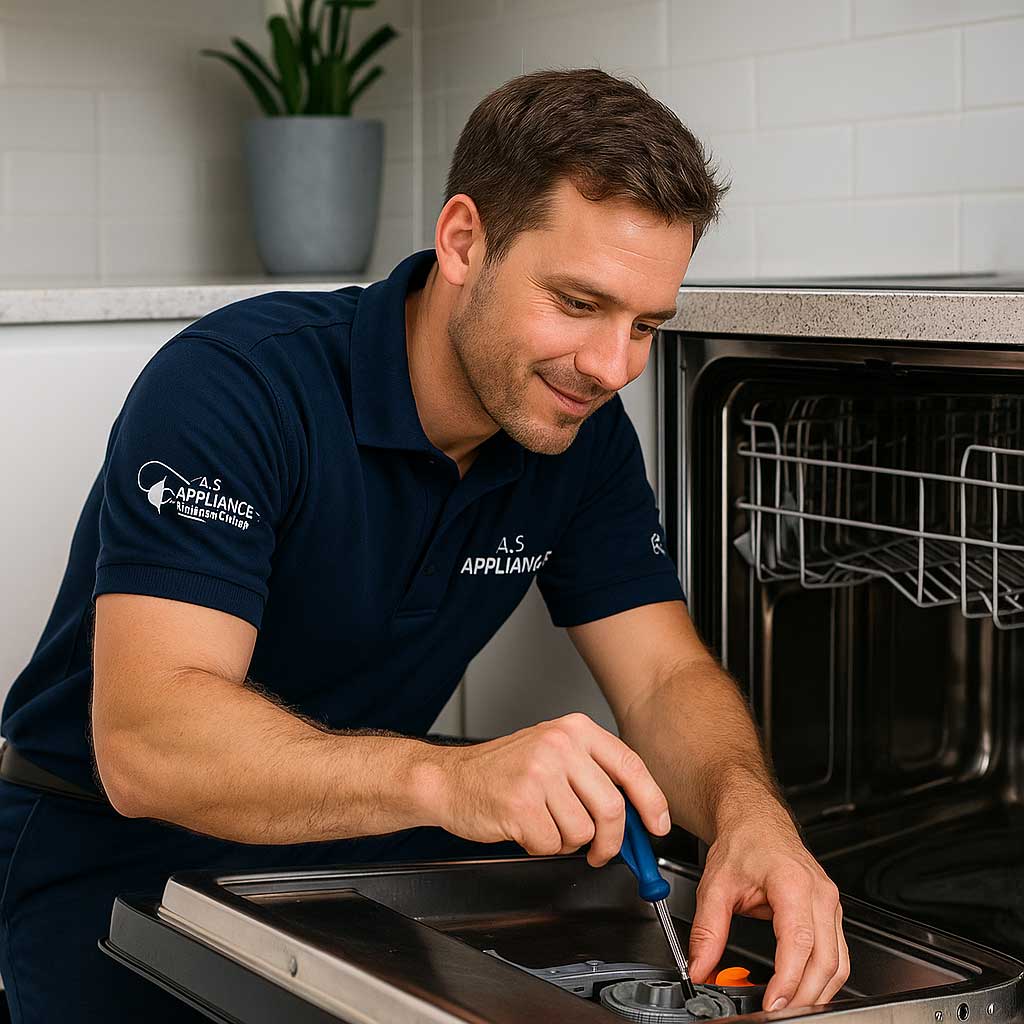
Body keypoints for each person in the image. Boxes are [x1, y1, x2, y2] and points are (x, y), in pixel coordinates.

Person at [0, 68, 848, 1022]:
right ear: (462, 242)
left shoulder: (579, 431)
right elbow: (148, 747)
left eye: (646, 324)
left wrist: (752, 816)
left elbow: (661, 677)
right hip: (110, 847)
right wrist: (452, 779)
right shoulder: (236, 385)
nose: (613, 367)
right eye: (577, 303)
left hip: (368, 841)